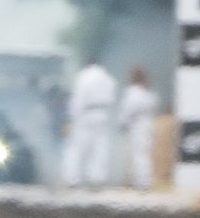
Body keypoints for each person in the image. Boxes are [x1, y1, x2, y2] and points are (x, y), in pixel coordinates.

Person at [62, 59, 118, 187]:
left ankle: (72, 179)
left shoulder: (84, 77)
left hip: (86, 113)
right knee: (100, 148)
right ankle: (96, 179)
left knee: (78, 147)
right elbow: (112, 97)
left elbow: (78, 98)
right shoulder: (108, 78)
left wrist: (71, 117)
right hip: (103, 113)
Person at [118, 65, 160, 189]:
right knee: (143, 154)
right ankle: (140, 181)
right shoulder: (148, 92)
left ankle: (141, 182)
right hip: (147, 124)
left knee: (137, 155)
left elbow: (128, 109)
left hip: (136, 126)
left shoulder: (133, 92)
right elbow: (154, 107)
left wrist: (122, 122)